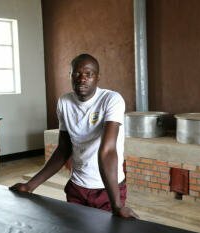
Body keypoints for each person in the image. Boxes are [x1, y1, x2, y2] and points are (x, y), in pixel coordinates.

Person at [10, 53, 138, 218]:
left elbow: (107, 151)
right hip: (77, 188)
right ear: (70, 75)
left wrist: (117, 205)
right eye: (77, 73)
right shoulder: (64, 102)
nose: (82, 78)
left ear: (97, 77)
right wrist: (30, 186)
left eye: (88, 74)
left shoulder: (111, 100)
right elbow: (64, 149)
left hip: (107, 190)